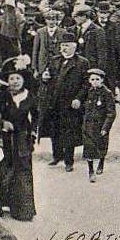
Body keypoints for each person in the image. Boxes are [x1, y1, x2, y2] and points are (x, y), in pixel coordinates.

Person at [0, 55, 37, 220]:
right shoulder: (1, 97)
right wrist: (2, 122)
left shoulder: (29, 97)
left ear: (23, 80)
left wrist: (32, 133)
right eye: (11, 78)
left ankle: (23, 210)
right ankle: (1, 206)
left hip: (22, 140)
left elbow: (36, 117)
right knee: (3, 171)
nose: (15, 82)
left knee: (23, 173)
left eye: (18, 78)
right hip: (5, 139)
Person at [40, 31, 89, 171]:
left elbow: (86, 84)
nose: (64, 48)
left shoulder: (82, 63)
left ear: (74, 46)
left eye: (67, 45)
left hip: (70, 103)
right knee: (54, 130)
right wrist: (45, 78)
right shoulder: (55, 60)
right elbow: (47, 79)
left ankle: (69, 161)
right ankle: (56, 156)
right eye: (62, 46)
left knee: (69, 132)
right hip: (54, 102)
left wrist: (79, 98)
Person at [80, 68, 116, 181]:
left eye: (97, 79)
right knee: (89, 148)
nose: (95, 81)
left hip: (100, 126)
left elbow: (111, 113)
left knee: (101, 146)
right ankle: (91, 171)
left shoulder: (107, 93)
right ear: (89, 81)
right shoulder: (88, 92)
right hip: (88, 125)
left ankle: (101, 162)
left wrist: (106, 127)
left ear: (102, 80)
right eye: (92, 79)